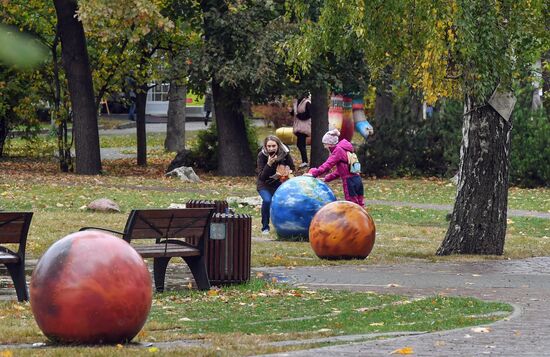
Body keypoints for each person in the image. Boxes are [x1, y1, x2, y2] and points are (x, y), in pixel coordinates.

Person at [305, 128, 364, 206]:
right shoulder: (345, 149)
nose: (325, 147)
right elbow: (340, 171)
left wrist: (313, 174)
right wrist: (327, 178)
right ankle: (363, 218)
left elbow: (327, 165)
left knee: (352, 205)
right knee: (359, 204)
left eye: (325, 144)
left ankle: (355, 218)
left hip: (350, 181)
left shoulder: (338, 151)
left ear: (330, 144)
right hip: (357, 180)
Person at [257, 135, 295, 234]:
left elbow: (292, 167)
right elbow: (261, 176)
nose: (271, 148)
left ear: (278, 145)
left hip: (279, 183)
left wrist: (286, 170)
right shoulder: (262, 155)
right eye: (268, 146)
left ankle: (285, 226)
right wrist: (269, 164)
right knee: (267, 200)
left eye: (273, 146)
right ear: (265, 146)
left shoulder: (285, 154)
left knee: (284, 203)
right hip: (265, 184)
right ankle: (265, 227)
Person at [291, 92, 311, 169]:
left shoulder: (307, 102)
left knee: (300, 144)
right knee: (300, 144)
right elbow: (294, 113)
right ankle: (304, 161)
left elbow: (308, 114)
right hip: (299, 126)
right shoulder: (297, 102)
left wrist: (299, 116)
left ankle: (305, 161)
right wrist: (291, 112)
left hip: (304, 127)